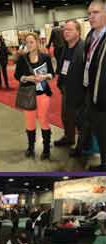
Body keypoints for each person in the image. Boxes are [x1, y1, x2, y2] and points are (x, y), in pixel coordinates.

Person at [15, 32, 55, 160]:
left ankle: (46, 149)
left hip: (43, 93)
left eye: (32, 42)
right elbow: (17, 75)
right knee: (30, 122)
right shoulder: (22, 58)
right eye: (27, 42)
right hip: (28, 95)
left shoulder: (45, 57)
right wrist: (27, 78)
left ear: (37, 42)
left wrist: (45, 76)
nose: (29, 45)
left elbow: (52, 74)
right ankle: (31, 147)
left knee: (43, 120)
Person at [54, 20, 85, 149]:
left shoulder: (83, 48)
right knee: (66, 116)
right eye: (64, 30)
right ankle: (69, 137)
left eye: (69, 30)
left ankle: (82, 146)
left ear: (78, 32)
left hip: (79, 91)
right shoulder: (64, 48)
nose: (65, 32)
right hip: (66, 88)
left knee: (80, 121)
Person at [84, 0, 106, 171]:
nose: (91, 17)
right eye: (89, 13)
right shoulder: (91, 35)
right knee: (101, 133)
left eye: (96, 12)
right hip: (93, 94)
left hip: (104, 98)